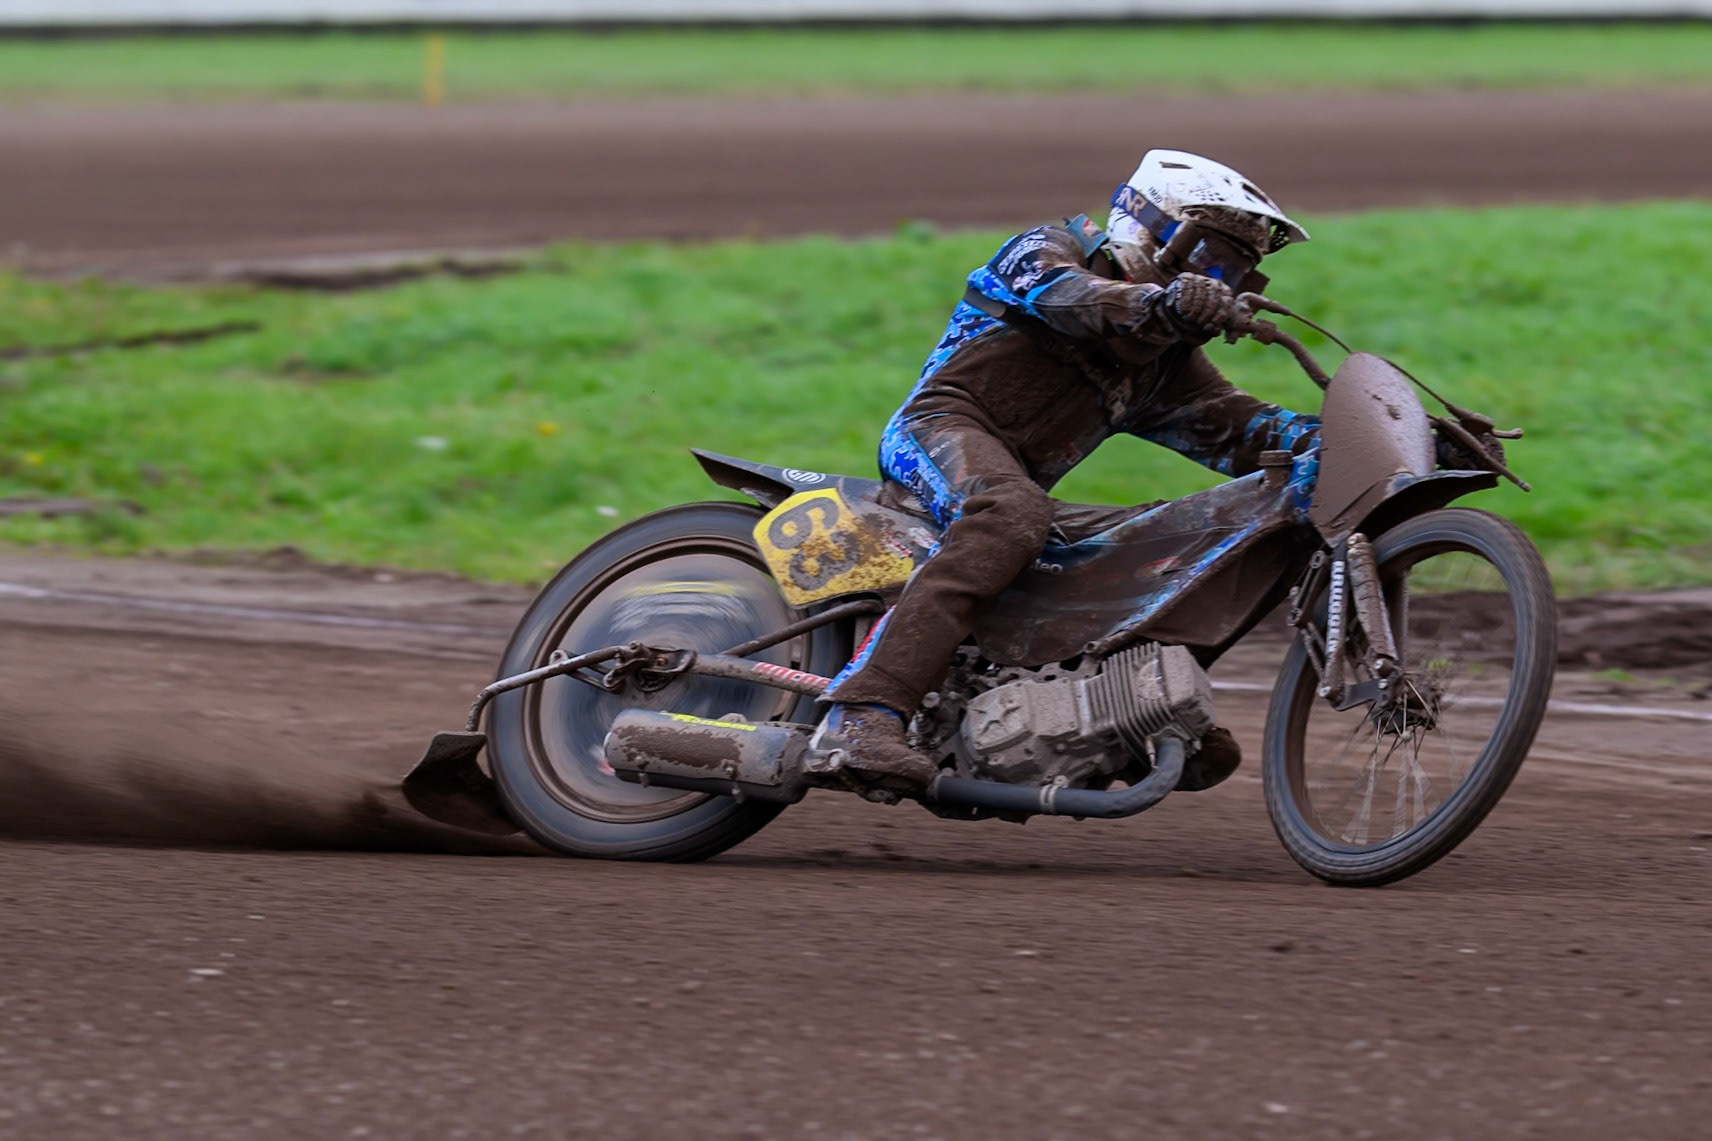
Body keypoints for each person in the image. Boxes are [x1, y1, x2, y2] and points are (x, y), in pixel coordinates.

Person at [807, 149, 1322, 795]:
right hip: (938, 430)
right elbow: (1069, 297)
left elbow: (1250, 430)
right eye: (1210, 260)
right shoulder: (1051, 249)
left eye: (1235, 272)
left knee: (1213, 530)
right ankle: (863, 714)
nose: (1218, 282)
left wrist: (1384, 436)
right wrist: (1160, 306)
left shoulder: (1161, 364)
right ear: (1152, 226)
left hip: (1018, 485)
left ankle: (1135, 710)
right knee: (1010, 515)